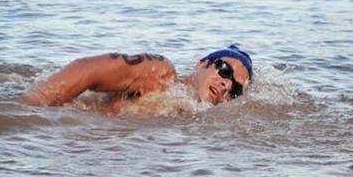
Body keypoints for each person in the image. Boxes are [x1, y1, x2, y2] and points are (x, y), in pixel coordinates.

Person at [23, 45, 252, 111]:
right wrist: (28, 110)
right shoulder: (161, 74)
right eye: (225, 70)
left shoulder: (191, 113)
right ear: (201, 63)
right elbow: (87, 69)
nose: (226, 84)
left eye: (235, 90)